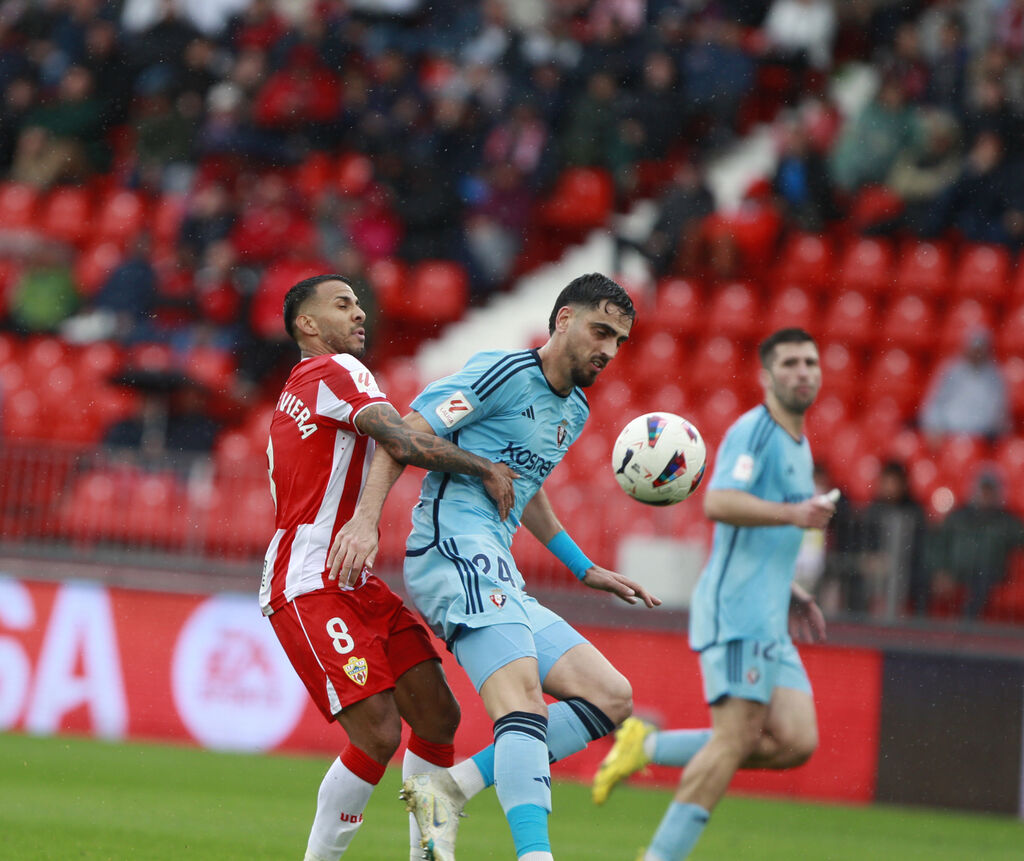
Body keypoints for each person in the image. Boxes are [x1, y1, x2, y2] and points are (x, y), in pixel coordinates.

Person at [330, 273, 660, 861]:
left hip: (496, 569)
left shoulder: (575, 410)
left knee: (611, 696)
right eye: (600, 330)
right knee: (523, 702)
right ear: (562, 320)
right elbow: (406, 435)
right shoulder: (503, 374)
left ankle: (447, 789)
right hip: (451, 552)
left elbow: (527, 487)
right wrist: (365, 520)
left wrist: (583, 567)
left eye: (620, 340)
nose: (608, 349)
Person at [260, 273, 518, 861]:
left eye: (359, 304)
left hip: (351, 579)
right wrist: (484, 466)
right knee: (377, 732)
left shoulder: (297, 387)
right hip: (308, 582)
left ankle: (429, 855)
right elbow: (400, 440)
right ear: (307, 324)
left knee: (437, 714)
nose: (359, 313)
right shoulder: (338, 371)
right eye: (342, 304)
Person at [590, 327, 835, 861]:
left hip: (770, 607)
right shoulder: (757, 432)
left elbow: (762, 529)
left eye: (810, 362)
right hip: (739, 611)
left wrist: (787, 582)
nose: (802, 372)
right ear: (767, 375)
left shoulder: (798, 441)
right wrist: (796, 514)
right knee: (733, 740)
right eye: (790, 363)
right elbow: (720, 502)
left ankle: (645, 746)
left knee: (795, 741)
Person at [928, 466, 1024, 619]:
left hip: (990, 574)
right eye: (983, 490)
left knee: (981, 578)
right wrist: (940, 571)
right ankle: (924, 628)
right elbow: (939, 545)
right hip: (957, 572)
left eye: (990, 491)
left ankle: (968, 626)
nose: (986, 495)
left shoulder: (1007, 520)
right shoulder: (957, 517)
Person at [919, 327, 1010, 443]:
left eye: (980, 350)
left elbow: (999, 415)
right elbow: (935, 403)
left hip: (981, 438)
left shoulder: (996, 378)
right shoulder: (950, 371)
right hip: (947, 434)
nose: (976, 354)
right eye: (974, 350)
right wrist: (933, 427)